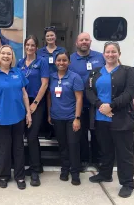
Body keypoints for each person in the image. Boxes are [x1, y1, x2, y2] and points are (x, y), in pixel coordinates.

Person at [86, 42, 134, 198]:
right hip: (101, 118)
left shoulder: (128, 71)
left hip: (121, 119)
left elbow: (130, 92)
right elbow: (88, 90)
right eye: (107, 52)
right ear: (103, 55)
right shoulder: (95, 72)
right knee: (105, 149)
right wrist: (100, 105)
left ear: (119, 54)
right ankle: (105, 174)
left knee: (124, 153)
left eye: (113, 52)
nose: (110, 54)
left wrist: (112, 106)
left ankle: (127, 183)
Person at [0, 45, 32, 190]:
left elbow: (24, 94)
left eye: (8, 54)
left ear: (12, 57)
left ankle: (20, 176)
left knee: (19, 148)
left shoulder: (18, 72)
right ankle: (4, 175)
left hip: (18, 117)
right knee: (5, 149)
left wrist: (28, 113)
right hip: (2, 118)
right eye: (3, 53)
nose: (6, 56)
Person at [69, 32, 105, 171]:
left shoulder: (100, 57)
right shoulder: (71, 59)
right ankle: (84, 159)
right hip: (79, 103)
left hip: (97, 102)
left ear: (90, 42)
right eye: (81, 40)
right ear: (76, 43)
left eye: (86, 40)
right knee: (82, 132)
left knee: (97, 131)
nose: (84, 42)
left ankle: (97, 159)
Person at [17, 35, 49, 186]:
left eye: (32, 45)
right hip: (22, 102)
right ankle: (30, 166)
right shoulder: (19, 63)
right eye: (27, 45)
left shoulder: (42, 62)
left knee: (32, 136)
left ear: (37, 47)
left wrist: (35, 103)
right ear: (25, 47)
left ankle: (35, 170)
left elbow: (45, 84)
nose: (29, 48)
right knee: (21, 136)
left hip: (37, 102)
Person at [47, 51, 84, 186]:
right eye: (59, 60)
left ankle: (75, 173)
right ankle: (65, 169)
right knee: (62, 146)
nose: (61, 63)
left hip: (71, 117)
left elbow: (79, 98)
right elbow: (49, 96)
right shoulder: (52, 77)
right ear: (55, 62)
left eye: (64, 60)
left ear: (69, 62)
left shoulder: (75, 77)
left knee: (73, 145)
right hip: (57, 117)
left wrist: (77, 118)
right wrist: (49, 114)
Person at [37, 26, 65, 139]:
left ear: (55, 37)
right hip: (43, 83)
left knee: (54, 106)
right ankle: (46, 130)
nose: (50, 37)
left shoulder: (61, 50)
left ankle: (55, 131)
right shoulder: (40, 52)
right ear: (45, 38)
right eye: (47, 35)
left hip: (56, 82)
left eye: (52, 35)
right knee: (44, 107)